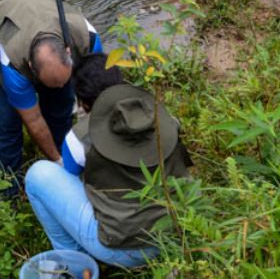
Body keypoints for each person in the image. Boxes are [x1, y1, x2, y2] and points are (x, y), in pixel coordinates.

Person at [24, 54, 192, 268]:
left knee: (38, 174)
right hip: (178, 232)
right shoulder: (162, 116)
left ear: (83, 103)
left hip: (122, 250)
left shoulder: (79, 138)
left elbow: (72, 176)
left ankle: (75, 262)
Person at [0, 0, 102, 186]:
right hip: (5, 22)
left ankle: (69, 166)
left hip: (46, 6)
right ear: (31, 68)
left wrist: (84, 109)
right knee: (7, 128)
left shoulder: (88, 38)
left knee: (61, 110)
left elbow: (96, 88)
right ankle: (7, 190)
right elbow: (34, 121)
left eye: (64, 80)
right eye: (53, 83)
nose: (62, 86)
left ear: (68, 52)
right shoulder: (12, 65)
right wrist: (57, 161)